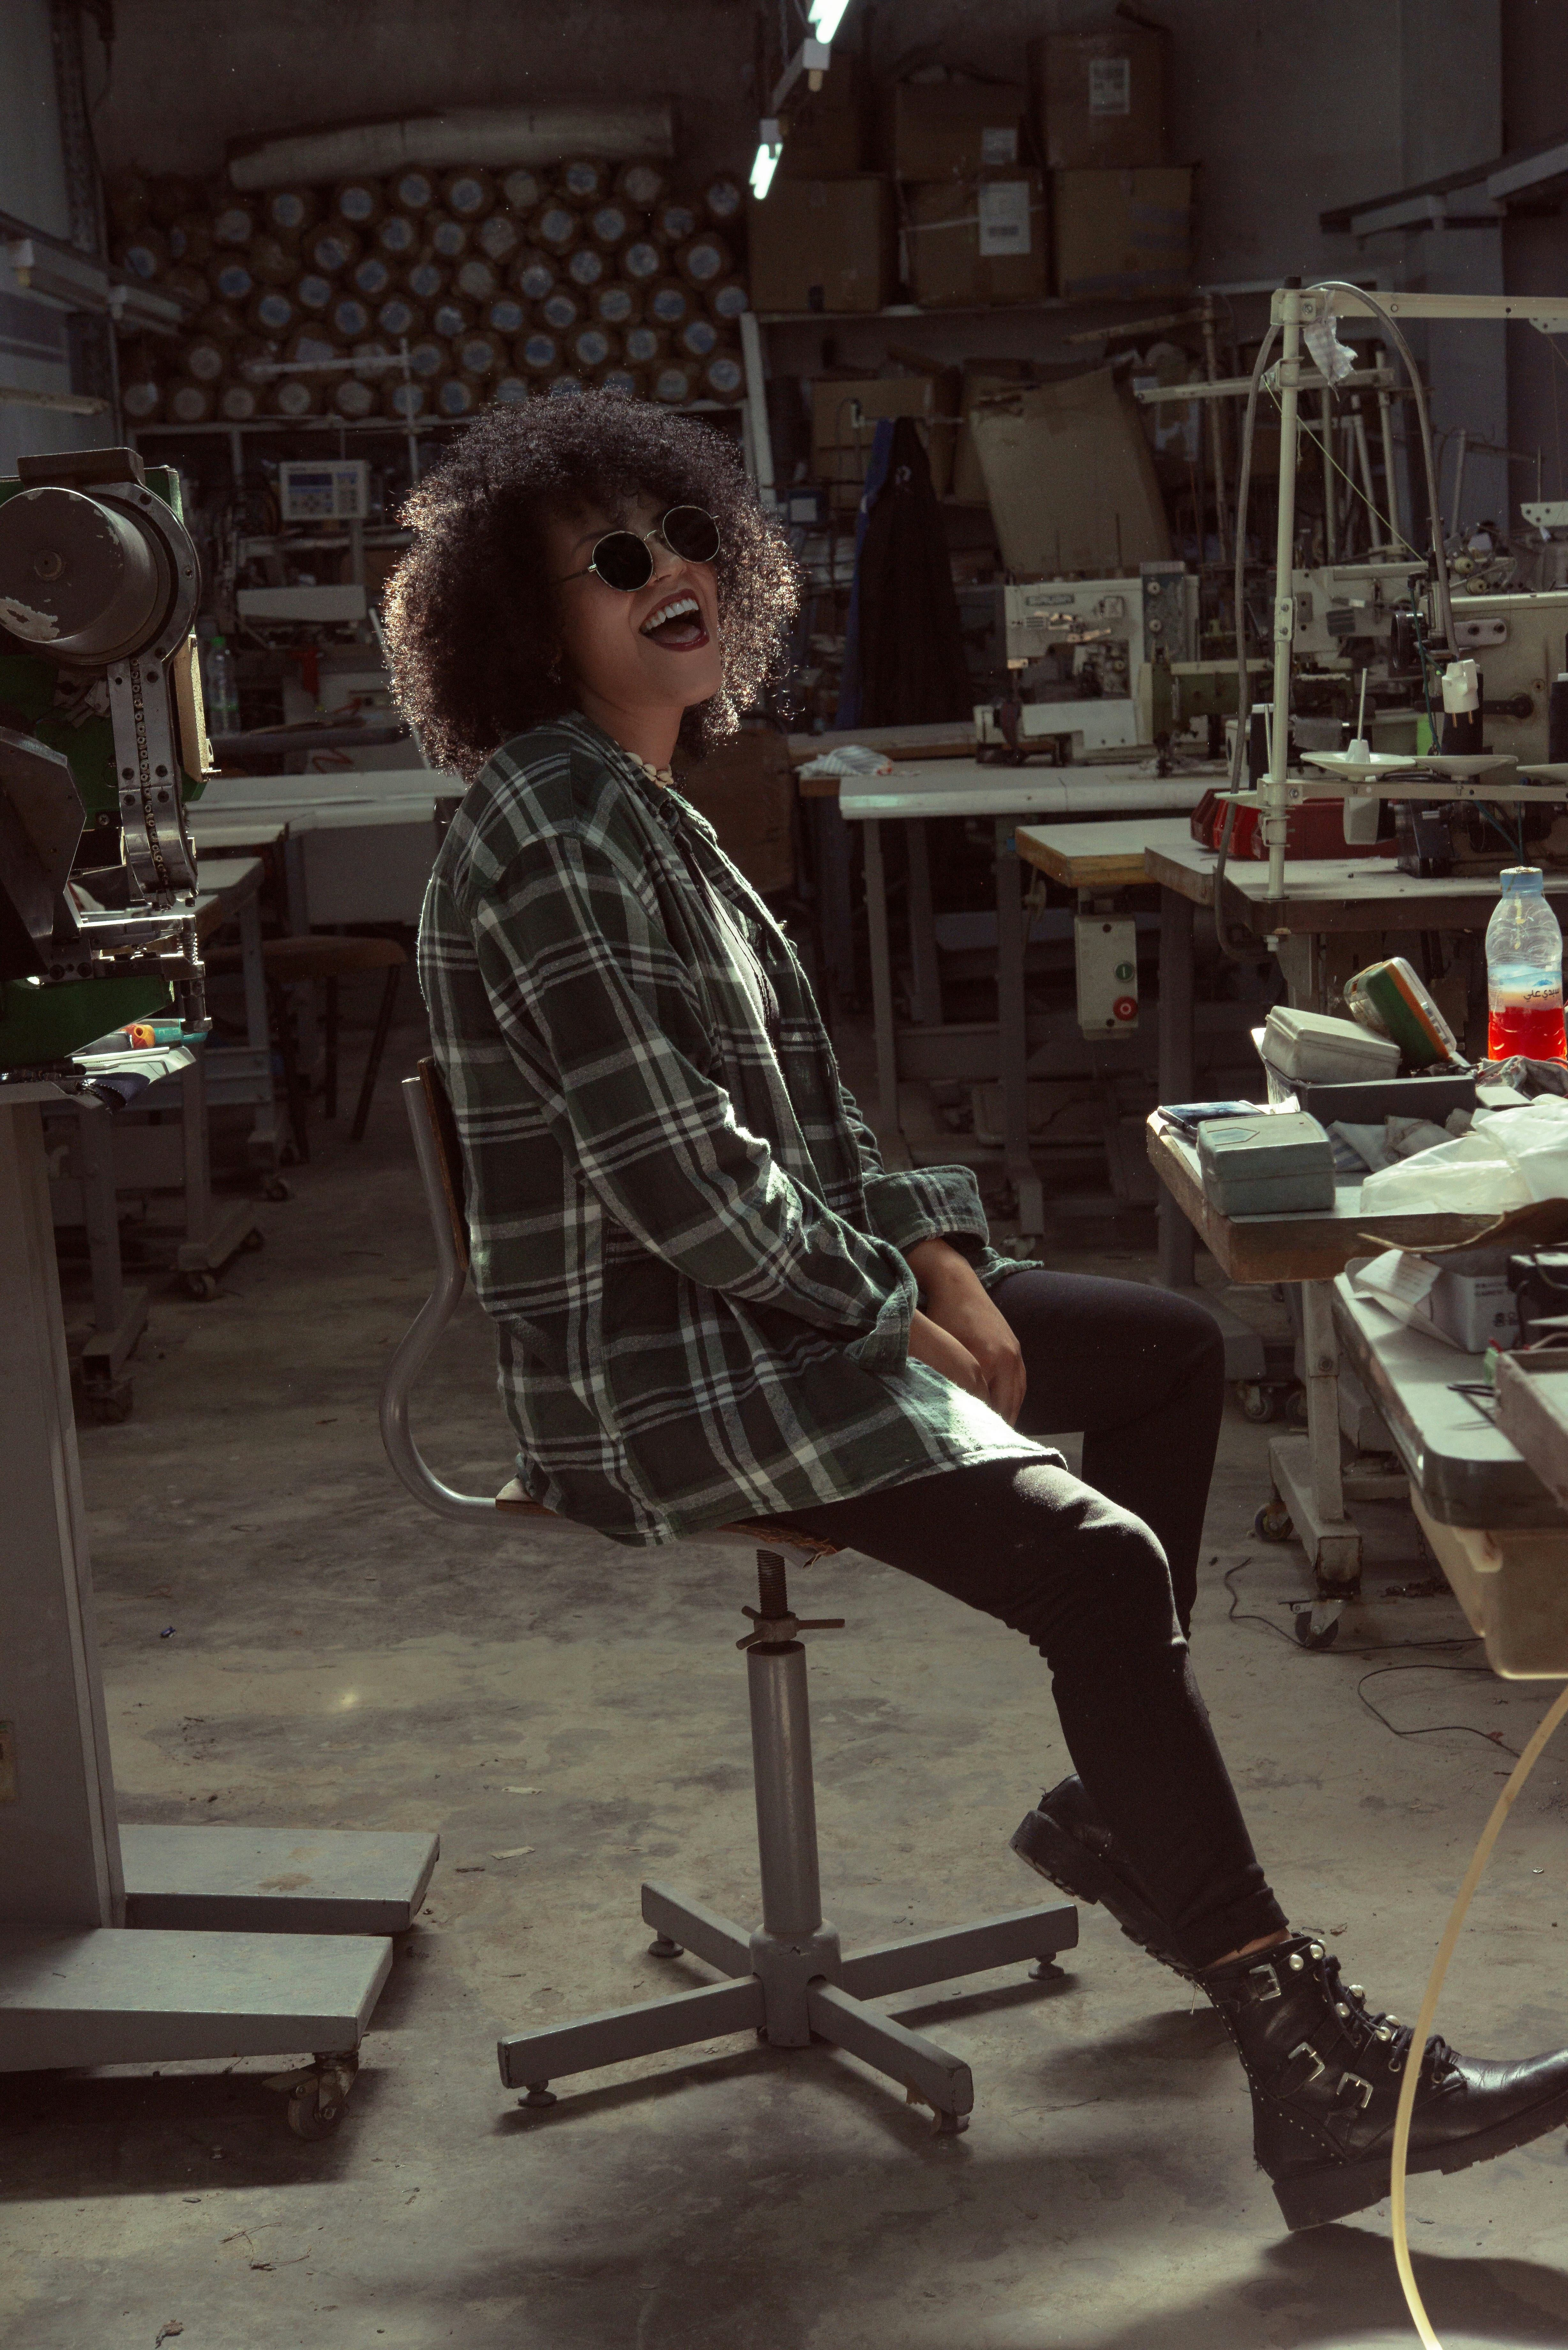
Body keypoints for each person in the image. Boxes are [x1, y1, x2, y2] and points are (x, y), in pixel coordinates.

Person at [387, 390, 1568, 2232]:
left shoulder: (647, 806)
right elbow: (682, 1181)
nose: (671, 572)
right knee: (1095, 1565)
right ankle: (1313, 2069)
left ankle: (1122, 1823)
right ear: (529, 627)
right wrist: (889, 1313)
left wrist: (933, 1254)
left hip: (765, 1312)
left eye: (683, 536)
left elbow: (807, 1121)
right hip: (669, 1371)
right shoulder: (554, 827)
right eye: (612, 562)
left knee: (1170, 1356)